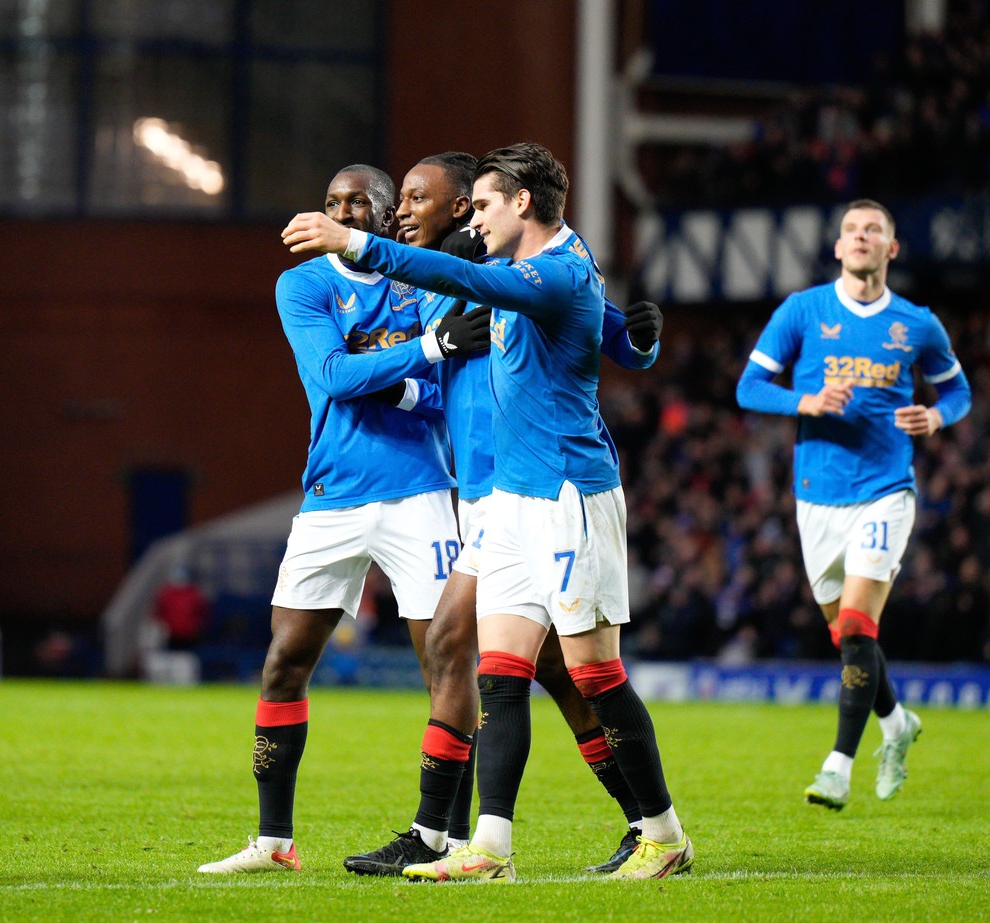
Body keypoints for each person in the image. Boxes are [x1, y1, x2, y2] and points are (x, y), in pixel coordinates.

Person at [283, 141, 692, 881]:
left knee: (575, 674)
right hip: (494, 497)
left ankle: (649, 828)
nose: (403, 210)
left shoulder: (512, 269)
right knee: (492, 663)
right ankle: (475, 842)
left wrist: (356, 244)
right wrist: (418, 365)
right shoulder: (468, 277)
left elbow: (585, 318)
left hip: (552, 489)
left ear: (483, 204)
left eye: (419, 197)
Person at [197, 164, 490, 874]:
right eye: (331, 201)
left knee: (447, 661)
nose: (343, 210)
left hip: (420, 489)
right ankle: (273, 841)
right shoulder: (302, 284)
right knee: (283, 662)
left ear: (388, 216)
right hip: (330, 495)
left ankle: (445, 837)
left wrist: (400, 379)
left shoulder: (418, 281)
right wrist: (419, 355)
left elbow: (440, 395)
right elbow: (331, 376)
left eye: (360, 201)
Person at [736, 199, 970, 810]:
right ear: (838, 247)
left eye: (874, 231)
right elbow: (750, 385)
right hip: (817, 495)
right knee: (848, 636)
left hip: (886, 490)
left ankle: (838, 764)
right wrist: (805, 402)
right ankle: (897, 725)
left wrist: (937, 416)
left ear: (892, 249)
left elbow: (959, 391)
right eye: (851, 230)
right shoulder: (803, 311)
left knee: (862, 625)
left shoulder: (918, 324)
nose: (861, 238)